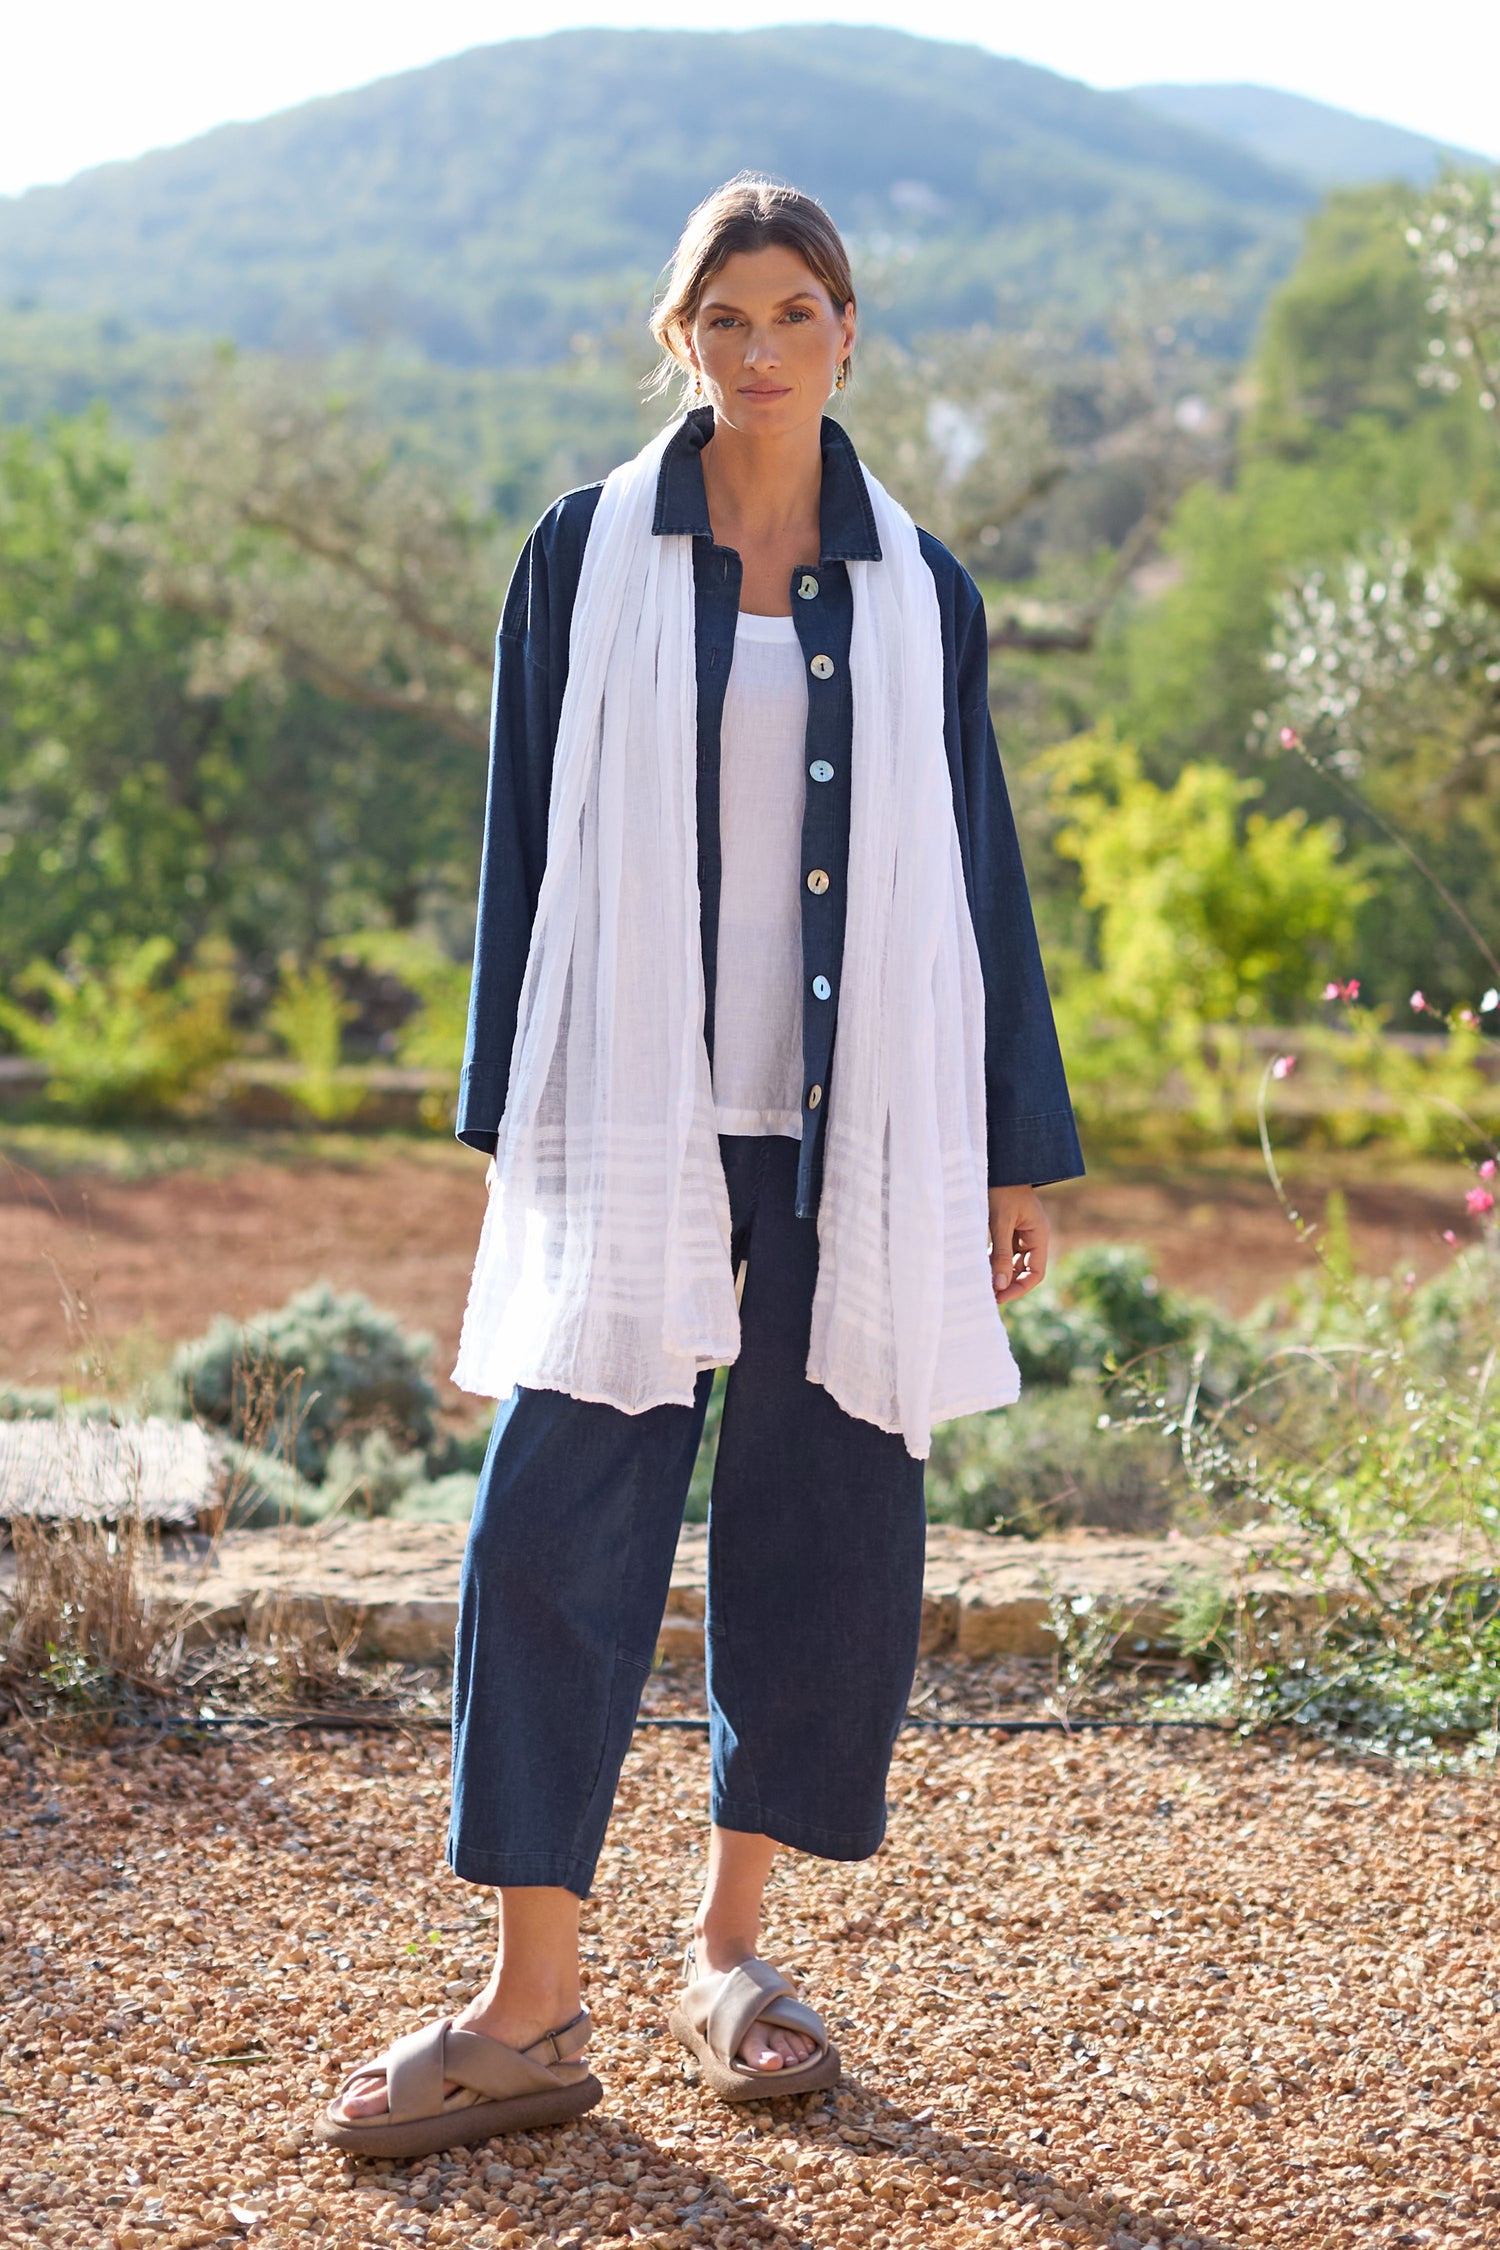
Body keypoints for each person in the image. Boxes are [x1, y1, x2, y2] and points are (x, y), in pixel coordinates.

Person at [318, 173, 1082, 2159]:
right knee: (544, 1529)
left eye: (795, 311)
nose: (760, 347)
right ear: (681, 339)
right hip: (638, 1115)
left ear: (849, 334)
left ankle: (732, 1952)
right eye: (724, 315)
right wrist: (521, 1129)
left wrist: (1014, 1143)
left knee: (820, 1542)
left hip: (863, 1130)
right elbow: (522, 851)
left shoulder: (923, 586)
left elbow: (975, 871)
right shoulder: (584, 556)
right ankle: (525, 2005)